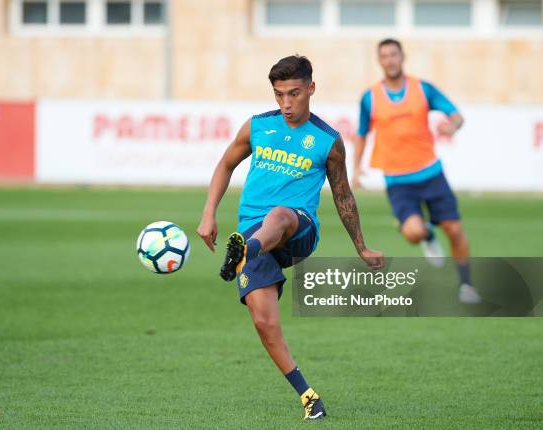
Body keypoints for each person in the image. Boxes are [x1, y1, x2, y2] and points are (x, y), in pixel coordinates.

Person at [197, 55, 384, 420]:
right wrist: (208, 214)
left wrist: (360, 246)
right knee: (264, 320)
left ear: (311, 88)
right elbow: (225, 164)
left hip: (298, 228)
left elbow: (343, 195)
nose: (286, 103)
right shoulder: (256, 127)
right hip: (253, 228)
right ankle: (310, 397)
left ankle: (244, 251)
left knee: (279, 214)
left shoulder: (327, 141)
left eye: (294, 93)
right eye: (279, 94)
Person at [351, 38, 481, 304]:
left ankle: (466, 286)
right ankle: (428, 235)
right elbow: (362, 134)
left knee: (455, 230)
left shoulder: (423, 89)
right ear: (380, 61)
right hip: (398, 181)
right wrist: (356, 168)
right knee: (413, 232)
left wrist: (453, 126)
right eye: (384, 56)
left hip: (431, 174)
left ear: (402, 57)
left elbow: (456, 115)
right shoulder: (370, 98)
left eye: (394, 55)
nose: (390, 60)